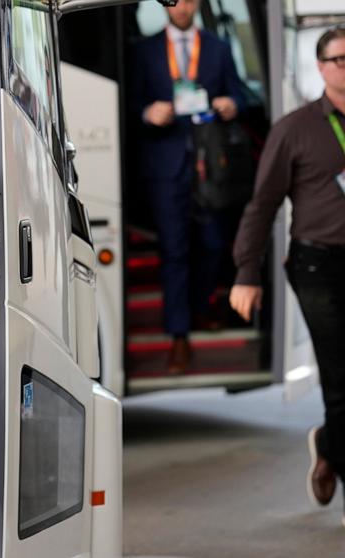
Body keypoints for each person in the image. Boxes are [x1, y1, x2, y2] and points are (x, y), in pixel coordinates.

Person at [230, 26, 345, 523]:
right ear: (320, 67)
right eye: (339, 59)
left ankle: (328, 441)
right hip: (318, 264)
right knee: (341, 378)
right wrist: (246, 272)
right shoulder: (295, 128)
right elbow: (263, 205)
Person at [127, 0, 245, 374]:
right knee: (174, 250)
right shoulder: (143, 50)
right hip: (165, 163)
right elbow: (128, 103)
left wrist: (231, 104)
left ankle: (196, 308)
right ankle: (179, 337)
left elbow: (239, 94)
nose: (181, 6)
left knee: (212, 243)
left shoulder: (218, 48)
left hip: (210, 163)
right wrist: (147, 112)